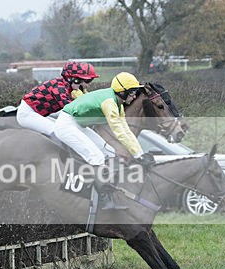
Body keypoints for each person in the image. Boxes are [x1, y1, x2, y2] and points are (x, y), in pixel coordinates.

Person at [54, 72, 155, 211]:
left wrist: (141, 154)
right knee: (97, 157)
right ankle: (103, 200)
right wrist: (138, 156)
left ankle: (108, 188)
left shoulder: (118, 105)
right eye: (132, 92)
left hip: (78, 124)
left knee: (109, 151)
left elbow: (126, 131)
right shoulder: (110, 103)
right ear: (122, 91)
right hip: (66, 125)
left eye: (135, 92)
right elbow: (119, 133)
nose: (134, 96)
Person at [16, 61, 98, 136]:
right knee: (59, 131)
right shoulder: (59, 87)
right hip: (27, 114)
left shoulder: (67, 87)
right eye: (84, 81)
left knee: (68, 128)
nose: (85, 85)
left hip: (38, 114)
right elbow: (70, 109)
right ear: (72, 79)